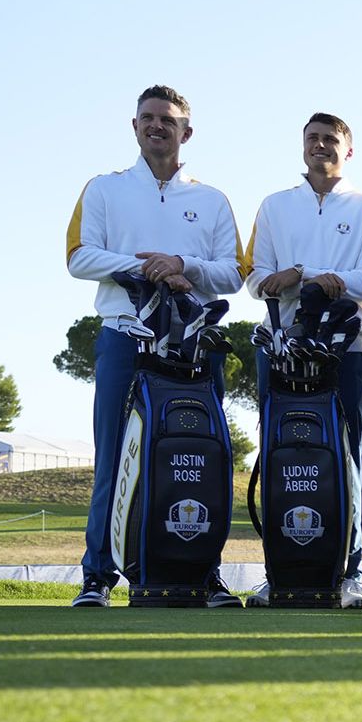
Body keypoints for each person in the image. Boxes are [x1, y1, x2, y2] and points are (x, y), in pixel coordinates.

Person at [65, 85, 242, 608]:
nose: (156, 126)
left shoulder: (211, 199)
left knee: (201, 458)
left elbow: (234, 273)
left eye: (168, 120)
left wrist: (183, 265)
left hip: (193, 341)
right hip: (126, 334)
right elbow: (78, 257)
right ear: (135, 125)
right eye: (147, 118)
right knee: (113, 454)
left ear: (186, 132)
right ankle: (97, 576)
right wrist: (142, 266)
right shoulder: (104, 189)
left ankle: (205, 573)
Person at [244, 112, 362, 610]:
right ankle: (277, 571)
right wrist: (288, 278)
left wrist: (310, 275)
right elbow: (254, 278)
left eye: (331, 140)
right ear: (302, 146)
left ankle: (349, 575)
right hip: (282, 344)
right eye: (313, 139)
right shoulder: (275, 205)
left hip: (346, 349)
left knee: (346, 457)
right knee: (281, 455)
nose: (320, 146)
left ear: (349, 150)